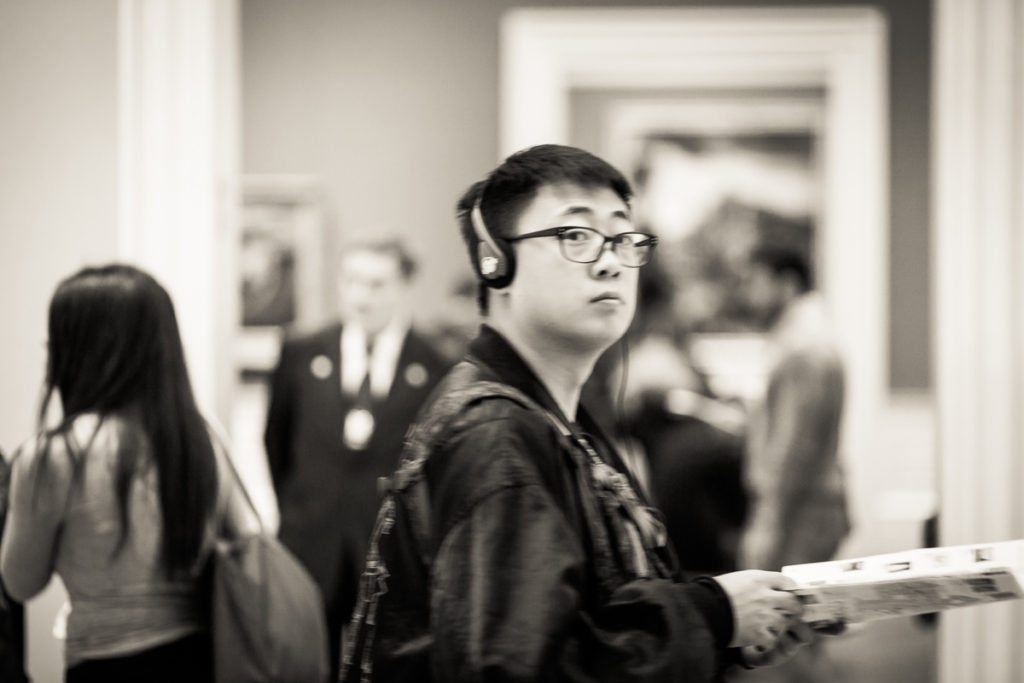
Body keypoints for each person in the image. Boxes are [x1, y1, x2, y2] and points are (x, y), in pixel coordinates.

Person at [342, 145, 822, 682]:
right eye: (576, 236)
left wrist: (731, 631)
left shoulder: (551, 417)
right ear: (495, 262)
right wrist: (713, 614)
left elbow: (591, 615)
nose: (611, 259)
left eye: (622, 237)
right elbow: (524, 670)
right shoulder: (496, 434)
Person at [0, 265, 256, 682]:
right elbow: (249, 539)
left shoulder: (54, 456)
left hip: (105, 665)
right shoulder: (198, 436)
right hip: (201, 660)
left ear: (79, 348)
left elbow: (20, 582)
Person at [264, 239, 448, 678]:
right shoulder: (302, 352)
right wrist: (300, 509)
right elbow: (276, 442)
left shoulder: (436, 365)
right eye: (351, 281)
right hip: (311, 543)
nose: (361, 296)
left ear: (404, 286)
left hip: (390, 553)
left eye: (376, 283)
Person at [731, 246, 849, 683]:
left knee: (784, 646)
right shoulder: (808, 336)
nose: (749, 294)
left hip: (801, 511)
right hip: (812, 507)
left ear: (787, 283)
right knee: (802, 639)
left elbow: (792, 448)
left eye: (756, 281)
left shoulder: (803, 346)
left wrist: (766, 524)